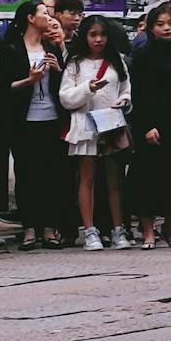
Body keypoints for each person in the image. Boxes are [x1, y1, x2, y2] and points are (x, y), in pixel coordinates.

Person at [0, 0, 67, 250]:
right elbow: (3, 88)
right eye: (44, 13)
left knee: (52, 174)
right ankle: (29, 228)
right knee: (26, 175)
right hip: (23, 121)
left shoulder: (51, 47)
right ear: (30, 18)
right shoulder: (12, 49)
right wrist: (29, 80)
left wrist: (59, 70)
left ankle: (49, 227)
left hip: (52, 117)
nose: (48, 17)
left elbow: (64, 84)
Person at [127, 2, 171, 249]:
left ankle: (169, 228)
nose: (167, 28)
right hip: (153, 123)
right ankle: (148, 231)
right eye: (161, 24)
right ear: (151, 27)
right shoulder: (145, 52)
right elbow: (140, 92)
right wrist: (146, 125)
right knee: (148, 178)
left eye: (170, 23)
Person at [59, 15, 132, 251]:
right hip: (84, 124)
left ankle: (118, 228)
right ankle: (90, 231)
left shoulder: (117, 62)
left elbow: (126, 89)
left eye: (102, 35)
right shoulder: (75, 64)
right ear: (86, 37)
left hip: (110, 122)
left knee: (115, 180)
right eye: (93, 35)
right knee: (86, 178)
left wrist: (123, 100)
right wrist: (87, 88)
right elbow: (65, 97)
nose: (99, 40)